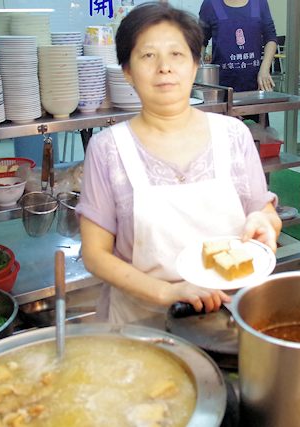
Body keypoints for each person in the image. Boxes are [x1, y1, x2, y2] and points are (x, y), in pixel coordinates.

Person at [76, 2, 281, 328]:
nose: (164, 67)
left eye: (177, 54)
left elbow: (264, 211)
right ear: (127, 71)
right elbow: (95, 254)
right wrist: (166, 293)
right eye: (147, 56)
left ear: (196, 64)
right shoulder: (108, 149)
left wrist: (266, 223)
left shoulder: (233, 135)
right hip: (142, 323)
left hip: (229, 318)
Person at [199, 0, 278, 92]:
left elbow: (271, 38)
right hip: (221, 87)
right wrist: (198, 73)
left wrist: (264, 69)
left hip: (256, 84)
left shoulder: (259, 3)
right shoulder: (211, 4)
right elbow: (200, 41)